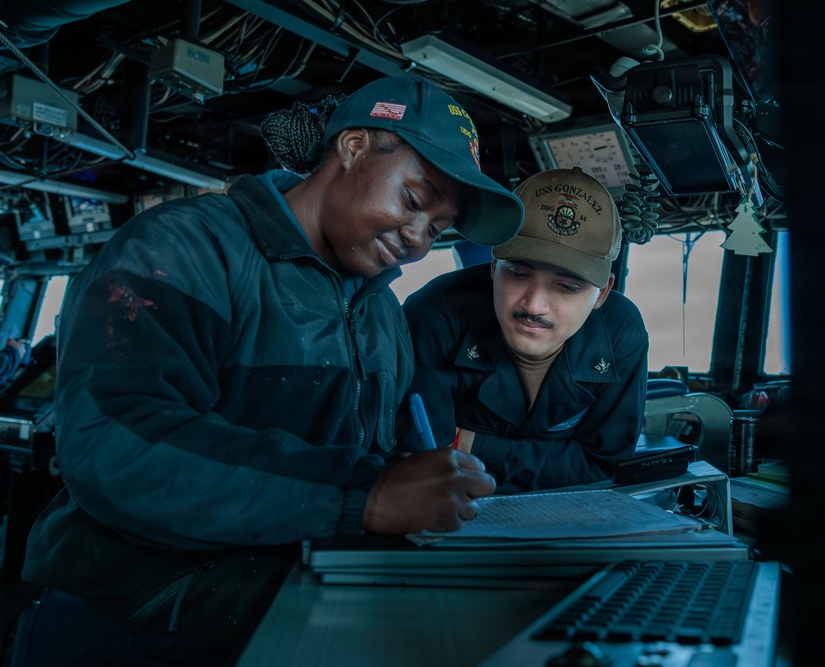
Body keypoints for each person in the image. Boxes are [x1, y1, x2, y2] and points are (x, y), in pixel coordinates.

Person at [11, 76, 523, 666]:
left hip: (276, 617)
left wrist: (417, 482)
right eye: (413, 200)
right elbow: (115, 447)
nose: (416, 239)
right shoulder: (183, 248)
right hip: (132, 620)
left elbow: (380, 453)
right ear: (354, 146)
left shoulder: (381, 312)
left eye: (436, 228)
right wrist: (365, 494)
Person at [398, 167, 649, 493]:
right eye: (518, 273)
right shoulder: (437, 313)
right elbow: (425, 459)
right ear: (494, 266)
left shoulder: (621, 333)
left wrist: (469, 443)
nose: (534, 305)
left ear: (602, 293)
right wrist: (554, 461)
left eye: (567, 287)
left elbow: (603, 466)